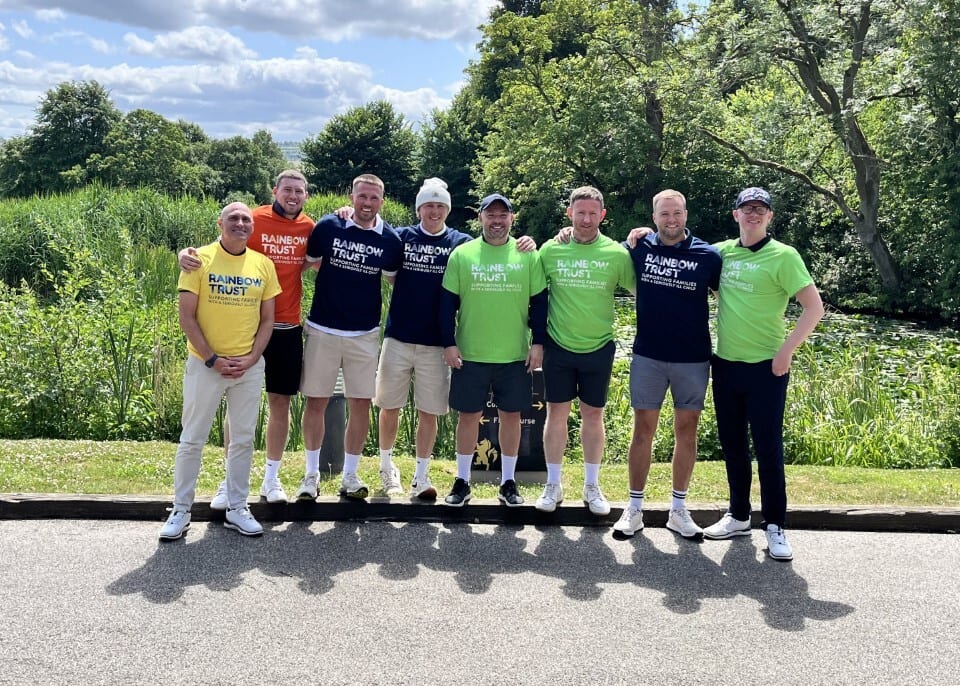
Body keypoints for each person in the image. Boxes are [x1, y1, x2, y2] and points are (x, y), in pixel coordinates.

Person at [335, 178, 537, 500]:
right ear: (419, 208)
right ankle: (387, 468)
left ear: (448, 209)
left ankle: (421, 475)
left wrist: (526, 242)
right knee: (389, 407)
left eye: (440, 205)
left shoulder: (460, 243)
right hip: (398, 337)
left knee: (430, 412)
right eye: (428, 205)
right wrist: (344, 215)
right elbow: (369, 228)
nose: (434, 210)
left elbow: (496, 245)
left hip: (437, 344)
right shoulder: (400, 237)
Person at [702, 187, 824, 561]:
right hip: (725, 363)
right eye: (746, 208)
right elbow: (678, 254)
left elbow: (813, 308)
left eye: (761, 209)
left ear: (770, 217)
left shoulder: (784, 256)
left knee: (768, 448)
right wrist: (641, 235)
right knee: (733, 444)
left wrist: (786, 352)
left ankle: (775, 525)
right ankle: (739, 515)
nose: (753, 214)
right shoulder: (721, 252)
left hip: (767, 367)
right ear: (735, 214)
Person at [179, 170, 314, 507]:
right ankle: (229, 483)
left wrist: (344, 213)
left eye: (299, 191)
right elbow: (218, 250)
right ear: (275, 191)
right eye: (287, 190)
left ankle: (271, 478)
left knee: (280, 403)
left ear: (306, 195)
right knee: (234, 407)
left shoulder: (310, 228)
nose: (292, 196)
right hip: (247, 326)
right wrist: (183, 254)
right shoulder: (252, 219)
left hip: (286, 326)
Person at [159, 202, 280, 541]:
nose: (240, 223)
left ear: (252, 227)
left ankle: (237, 507)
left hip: (248, 366)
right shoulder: (198, 260)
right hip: (205, 364)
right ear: (220, 223)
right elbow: (187, 317)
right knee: (192, 438)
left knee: (242, 439)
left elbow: (268, 318)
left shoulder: (263, 264)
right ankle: (181, 511)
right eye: (233, 219)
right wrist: (212, 359)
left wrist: (254, 357)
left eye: (245, 219)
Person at [611, 190, 722, 539]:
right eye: (664, 214)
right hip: (648, 355)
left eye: (676, 213)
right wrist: (565, 234)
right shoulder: (638, 246)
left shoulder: (708, 256)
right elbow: (596, 249)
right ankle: (634, 508)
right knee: (642, 430)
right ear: (654, 216)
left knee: (686, 431)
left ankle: (678, 509)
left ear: (686, 214)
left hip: (692, 358)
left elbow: (734, 300)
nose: (670, 220)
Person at [297, 174, 403, 501]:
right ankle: (311, 476)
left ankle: (350, 476)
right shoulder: (329, 227)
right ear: (352, 196)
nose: (367, 203)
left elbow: (393, 282)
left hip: (364, 333)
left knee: (360, 404)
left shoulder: (390, 240)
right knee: (316, 402)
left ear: (381, 201)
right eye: (362, 197)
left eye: (374, 198)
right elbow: (307, 266)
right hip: (323, 329)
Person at [439, 193, 547, 507]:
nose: (497, 221)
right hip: (470, 354)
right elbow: (447, 304)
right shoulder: (463, 254)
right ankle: (462, 480)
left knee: (511, 417)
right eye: (491, 215)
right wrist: (448, 342)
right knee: (468, 416)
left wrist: (537, 342)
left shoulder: (528, 255)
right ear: (481, 218)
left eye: (503, 215)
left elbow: (539, 303)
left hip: (514, 354)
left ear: (512, 218)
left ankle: (509, 482)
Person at [534, 186, 636, 516]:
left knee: (594, 416)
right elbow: (532, 293)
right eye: (581, 213)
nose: (587, 219)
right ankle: (553, 484)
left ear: (603, 215)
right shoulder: (551, 250)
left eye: (593, 213)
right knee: (556, 415)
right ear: (570, 214)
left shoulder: (616, 254)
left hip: (598, 347)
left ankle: (592, 486)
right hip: (558, 346)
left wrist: (645, 238)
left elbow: (643, 292)